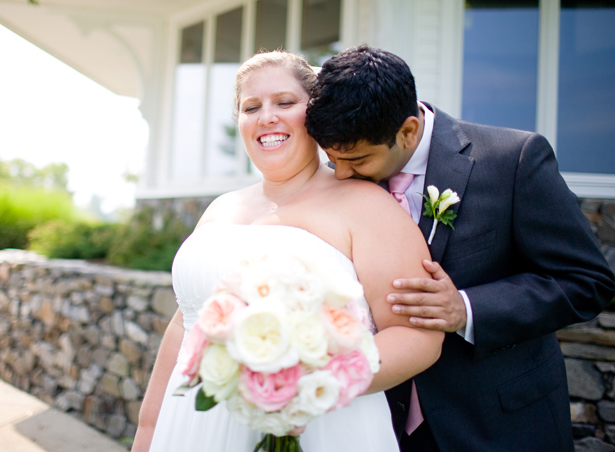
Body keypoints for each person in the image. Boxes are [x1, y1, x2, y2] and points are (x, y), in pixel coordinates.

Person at [305, 44, 615, 451]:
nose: (341, 174)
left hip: (497, 425)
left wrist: (467, 309)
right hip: (379, 424)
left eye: (358, 160)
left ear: (409, 130)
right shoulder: (338, 178)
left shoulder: (513, 159)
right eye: (333, 159)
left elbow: (588, 281)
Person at [132, 51, 444, 452]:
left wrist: (308, 386)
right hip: (192, 429)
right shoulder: (220, 208)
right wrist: (148, 430)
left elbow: (417, 336)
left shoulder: (369, 206)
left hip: (321, 427)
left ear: (312, 115)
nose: (266, 117)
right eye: (250, 107)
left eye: (285, 102)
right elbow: (186, 325)